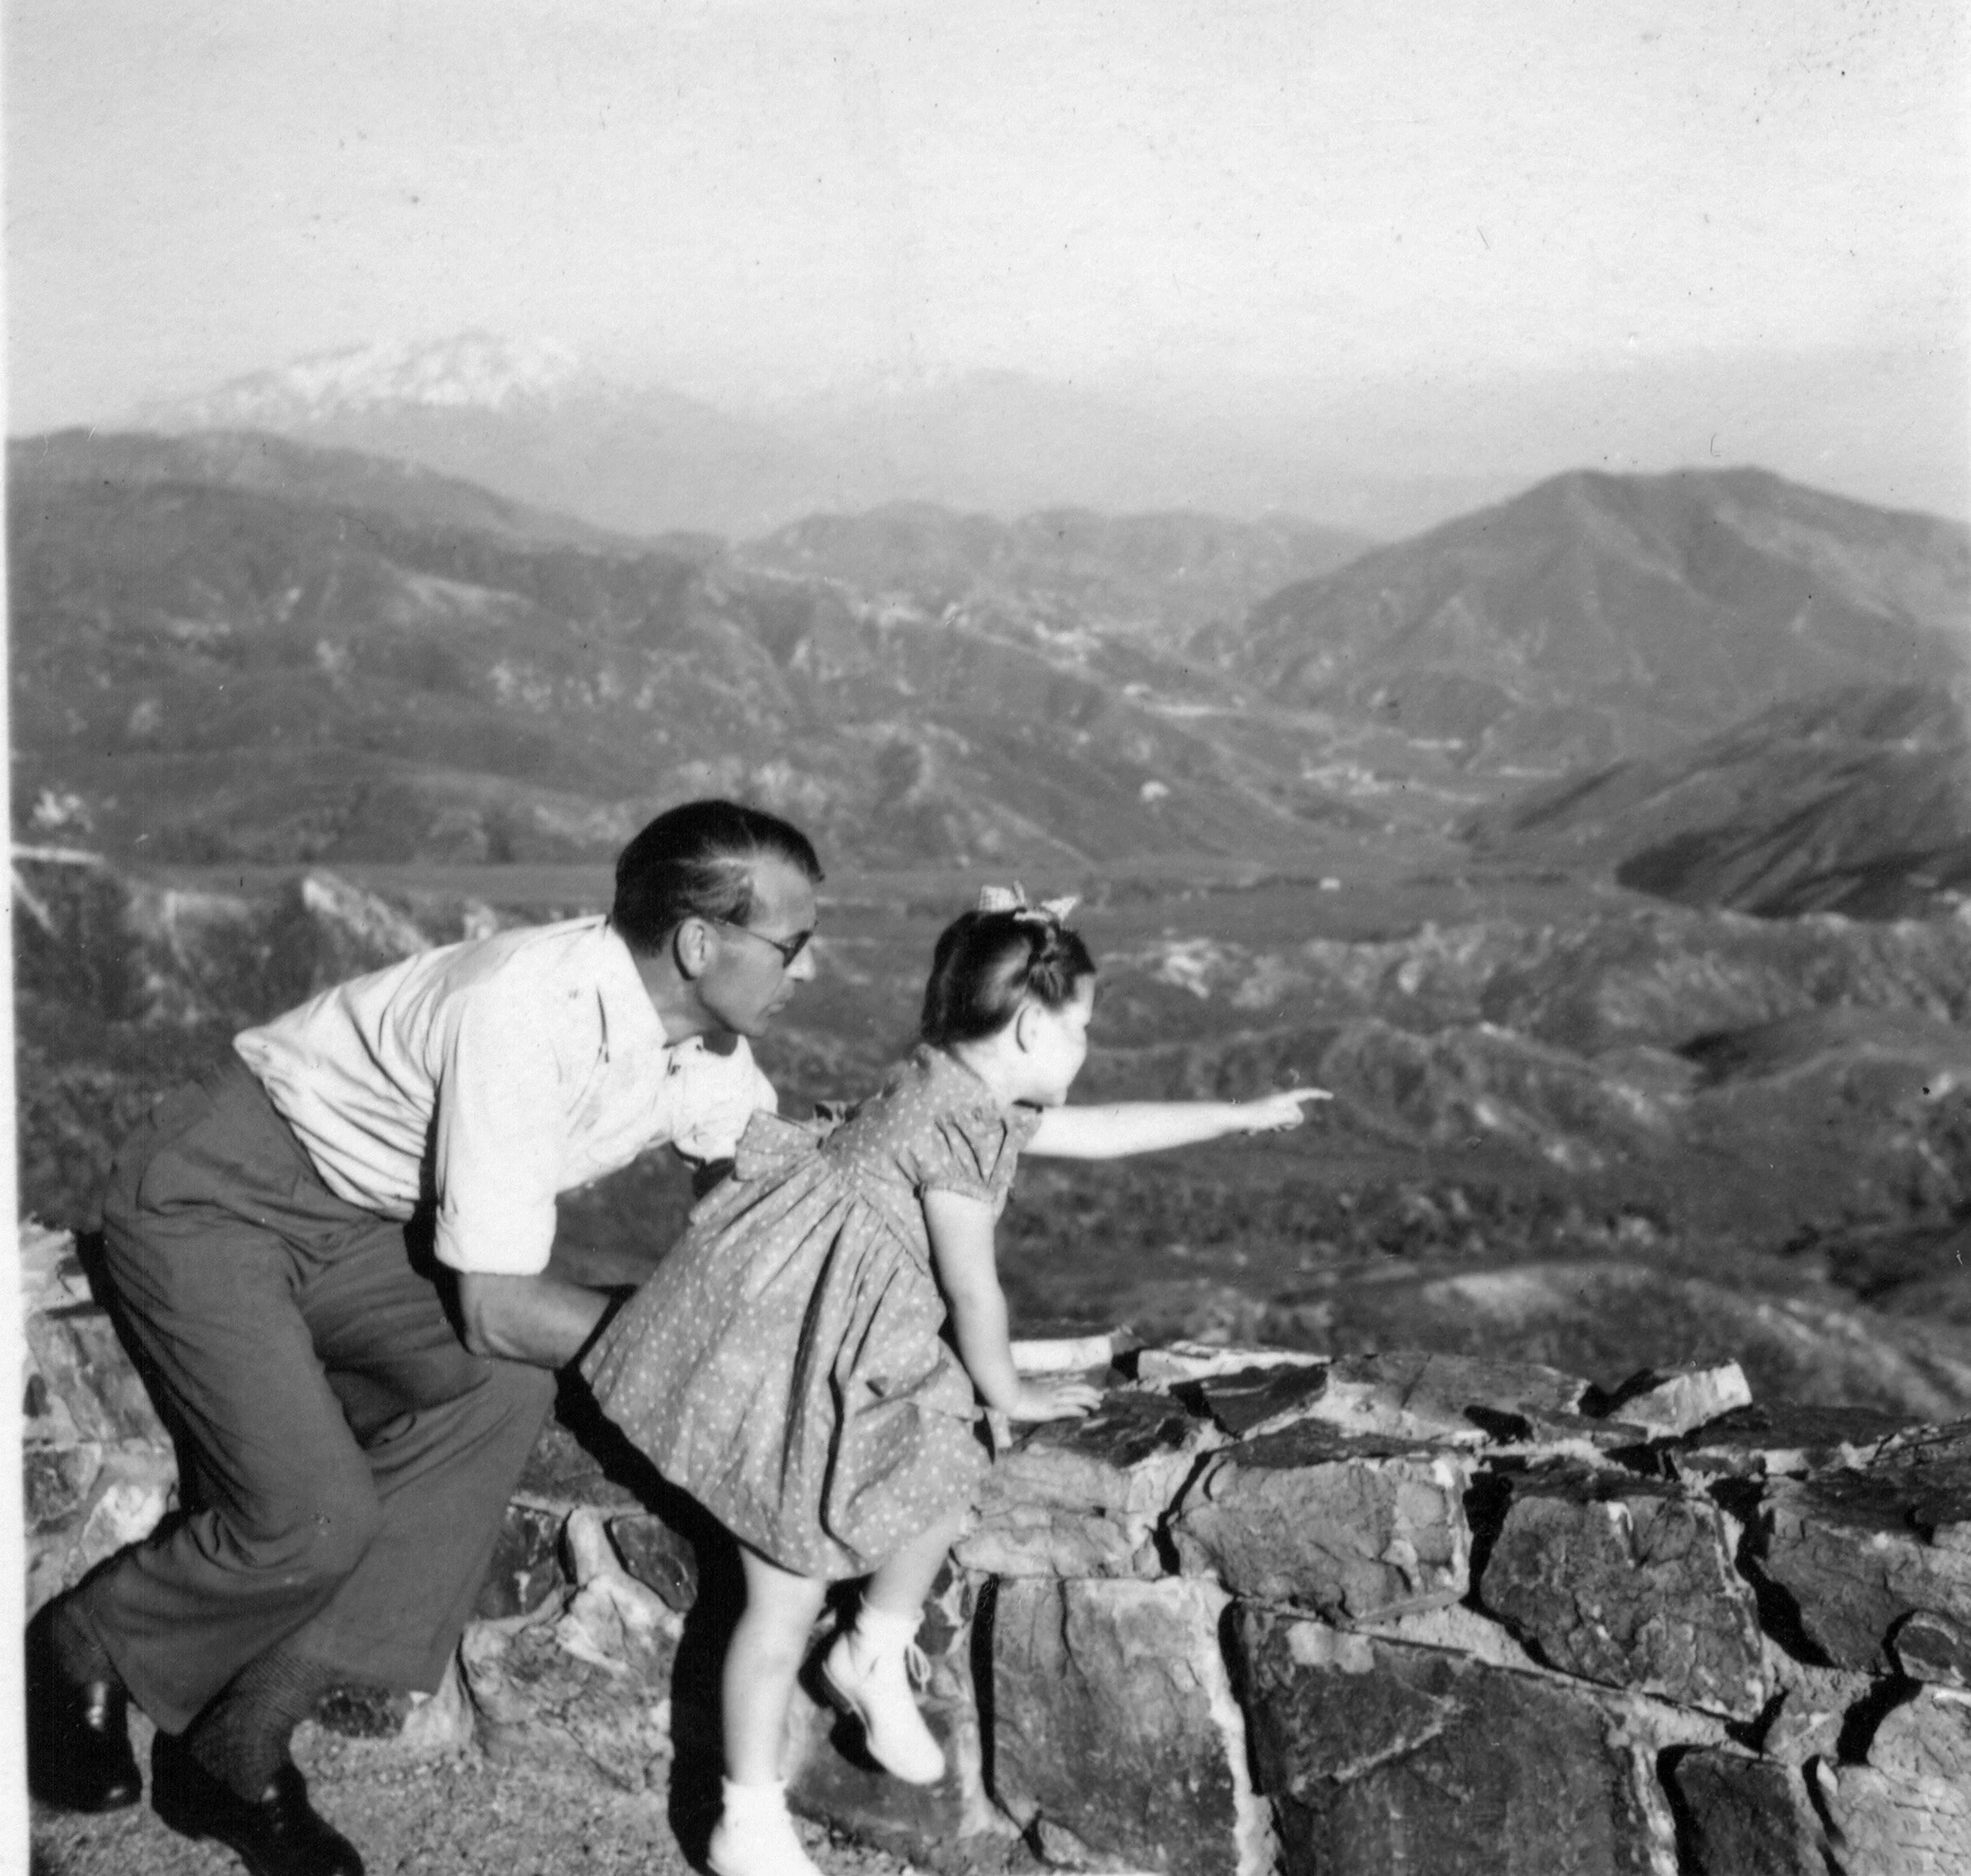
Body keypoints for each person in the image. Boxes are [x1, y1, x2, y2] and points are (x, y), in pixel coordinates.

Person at [25, 800, 824, 1876]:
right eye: (793, 946)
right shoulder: (521, 1010)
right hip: (217, 1197)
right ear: (699, 943)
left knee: (496, 1391)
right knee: (312, 1514)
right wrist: (680, 1347)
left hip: (359, 1226)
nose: (806, 972)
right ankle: (86, 1638)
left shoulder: (703, 1046)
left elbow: (771, 1203)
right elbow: (496, 1301)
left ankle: (236, 1743)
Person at [582, 885, 1327, 1876]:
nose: (1088, 1049)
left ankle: (874, 1649)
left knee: (948, 1453)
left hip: (801, 1335)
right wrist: (1008, 1393)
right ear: (1028, 1025)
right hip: (792, 1369)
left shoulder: (942, 1086)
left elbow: (1100, 1133)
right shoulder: (962, 1129)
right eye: (1085, 1028)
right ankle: (747, 1820)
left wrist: (1239, 1114)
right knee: (786, 1593)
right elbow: (974, 1291)